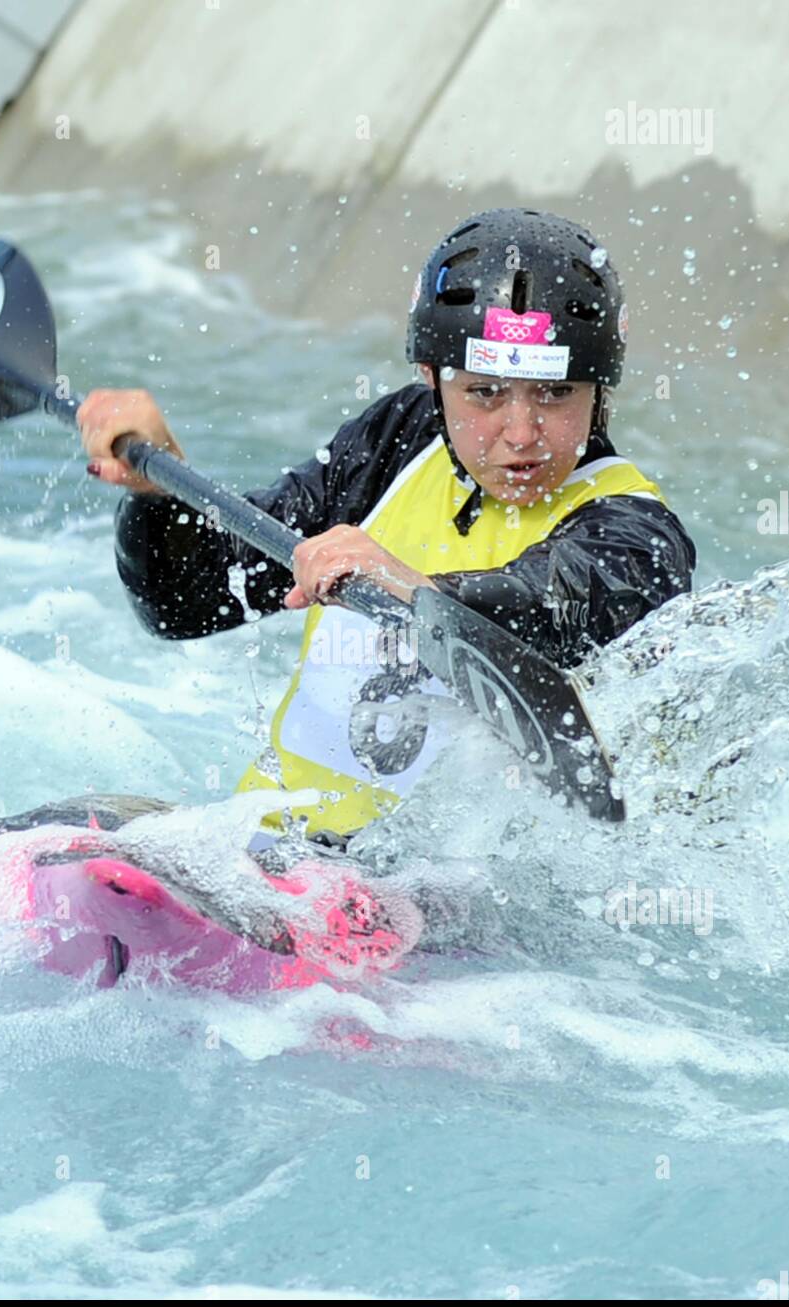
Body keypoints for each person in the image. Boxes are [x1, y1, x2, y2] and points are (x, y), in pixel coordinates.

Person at [78, 208, 696, 846]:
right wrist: (158, 490)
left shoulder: (635, 530)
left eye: (554, 394)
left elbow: (558, 607)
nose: (520, 432)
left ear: (599, 388)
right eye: (485, 393)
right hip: (258, 852)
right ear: (432, 378)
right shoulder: (400, 442)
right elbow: (185, 603)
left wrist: (410, 586)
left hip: (429, 902)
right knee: (69, 827)